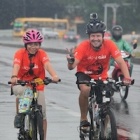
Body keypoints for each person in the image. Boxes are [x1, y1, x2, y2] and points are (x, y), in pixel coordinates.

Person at [66, 13, 132, 135]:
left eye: (98, 36)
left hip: (101, 76)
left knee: (107, 100)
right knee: (85, 90)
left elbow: (121, 62)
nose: (95, 39)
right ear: (88, 37)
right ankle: (83, 119)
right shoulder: (83, 46)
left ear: (103, 36)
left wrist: (127, 77)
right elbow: (72, 66)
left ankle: (104, 129)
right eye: (92, 36)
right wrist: (70, 61)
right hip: (84, 75)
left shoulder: (110, 45)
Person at [10, 29, 60, 140]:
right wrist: (14, 77)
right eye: (31, 44)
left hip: (37, 86)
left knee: (43, 114)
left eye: (36, 44)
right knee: (25, 93)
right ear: (26, 44)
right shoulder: (19, 53)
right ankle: (20, 114)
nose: (33, 47)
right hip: (20, 83)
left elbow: (47, 64)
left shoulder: (42, 54)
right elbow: (16, 65)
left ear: (40, 44)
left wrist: (54, 76)